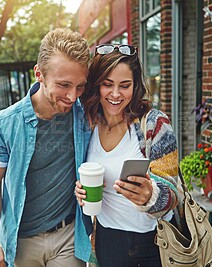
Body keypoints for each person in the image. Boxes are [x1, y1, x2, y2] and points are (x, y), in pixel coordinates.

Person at [0, 28, 93, 267]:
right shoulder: (4, 126)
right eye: (63, 85)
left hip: (68, 236)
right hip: (21, 241)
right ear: (39, 74)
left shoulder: (85, 115)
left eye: (80, 86)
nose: (73, 97)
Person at [75, 44, 182, 267]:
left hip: (153, 241)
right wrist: (80, 191)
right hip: (106, 239)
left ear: (135, 86)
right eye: (107, 85)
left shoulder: (153, 124)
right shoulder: (87, 123)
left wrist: (150, 195)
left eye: (125, 86)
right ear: (96, 85)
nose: (115, 94)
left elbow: (174, 193)